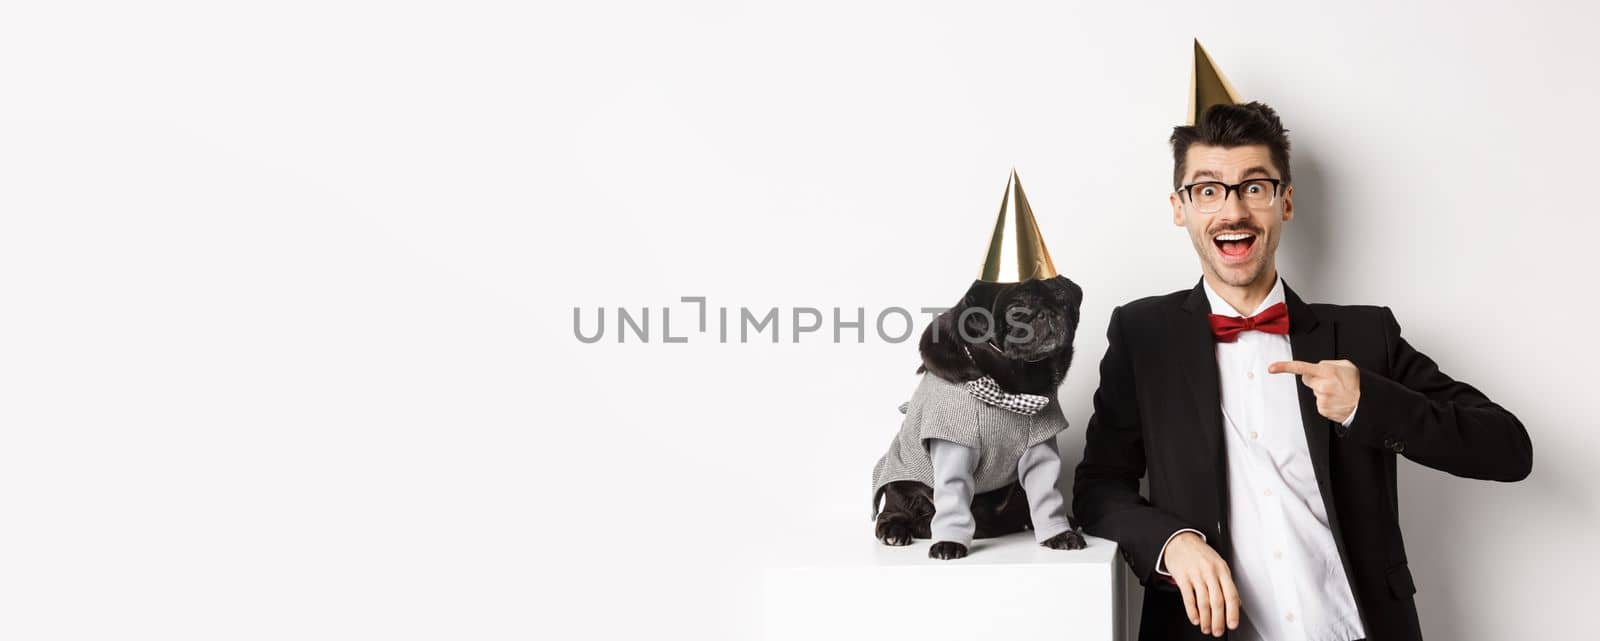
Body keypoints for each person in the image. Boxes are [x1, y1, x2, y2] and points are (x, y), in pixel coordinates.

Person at [1071, 43, 1532, 641]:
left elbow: (1508, 449)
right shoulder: (1142, 334)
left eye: (1254, 187)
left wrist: (1371, 404)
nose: (1232, 210)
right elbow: (1098, 489)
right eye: (1207, 190)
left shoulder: (1365, 334)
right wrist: (1171, 542)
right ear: (1179, 209)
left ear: (1285, 201)